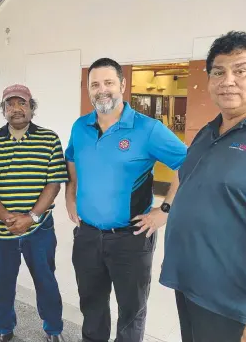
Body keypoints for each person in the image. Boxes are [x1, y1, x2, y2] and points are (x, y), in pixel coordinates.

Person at [65, 58, 187, 342]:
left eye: (108, 82)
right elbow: (71, 158)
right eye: (95, 84)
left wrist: (166, 210)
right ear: (88, 90)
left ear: (122, 85)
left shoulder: (148, 129)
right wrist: (70, 193)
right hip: (87, 235)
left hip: (131, 238)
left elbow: (189, 163)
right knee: (92, 307)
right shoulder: (80, 127)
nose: (101, 90)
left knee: (131, 312)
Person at [160, 31, 246, 342]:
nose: (227, 80)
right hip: (191, 289)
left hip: (236, 306)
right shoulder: (208, 131)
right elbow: (186, 176)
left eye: (240, 70)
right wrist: (164, 209)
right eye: (218, 72)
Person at [0, 84, 68, 342]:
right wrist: (6, 217)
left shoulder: (49, 139)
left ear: (31, 108)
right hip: (2, 230)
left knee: (46, 282)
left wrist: (31, 217)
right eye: (9, 104)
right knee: (3, 284)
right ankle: (3, 329)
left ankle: (53, 330)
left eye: (22, 103)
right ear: (3, 110)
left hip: (40, 228)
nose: (16, 109)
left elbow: (54, 183)